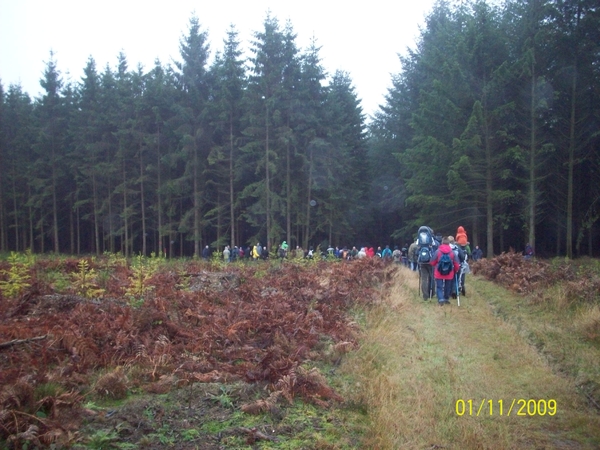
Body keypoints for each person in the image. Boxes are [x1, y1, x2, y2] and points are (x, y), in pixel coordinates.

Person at [430, 237, 460, 306]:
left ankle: (440, 299)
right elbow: (456, 263)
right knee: (448, 286)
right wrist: (455, 270)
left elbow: (432, 262)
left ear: (442, 243)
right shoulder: (452, 252)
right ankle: (446, 299)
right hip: (449, 272)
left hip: (439, 272)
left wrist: (435, 265)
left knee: (439, 287)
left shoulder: (438, 251)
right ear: (449, 243)